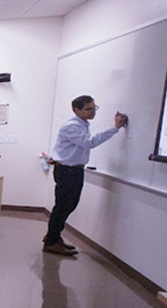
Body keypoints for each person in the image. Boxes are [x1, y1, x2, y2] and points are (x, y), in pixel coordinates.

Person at [44, 95, 126, 256]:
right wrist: (115, 128)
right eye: (88, 109)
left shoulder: (82, 125)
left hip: (73, 170)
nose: (93, 112)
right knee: (63, 207)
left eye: (94, 108)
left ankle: (54, 236)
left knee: (69, 205)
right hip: (68, 171)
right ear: (77, 110)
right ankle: (51, 242)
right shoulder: (72, 126)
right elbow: (90, 142)